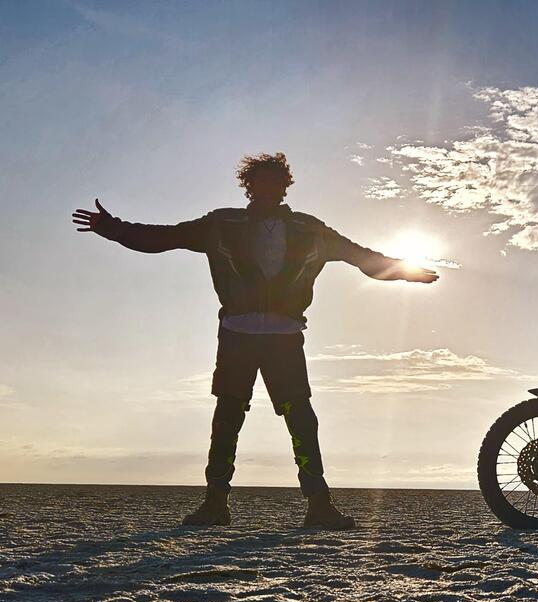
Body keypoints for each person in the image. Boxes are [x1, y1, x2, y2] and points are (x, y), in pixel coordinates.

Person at [71, 152, 438, 529]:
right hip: (237, 336)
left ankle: (319, 505)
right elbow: (163, 237)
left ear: (285, 185)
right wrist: (111, 228)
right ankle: (215, 503)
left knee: (301, 419)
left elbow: (360, 257)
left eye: (275, 181)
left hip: (285, 338)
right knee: (227, 418)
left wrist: (405, 271)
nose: (268, 187)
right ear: (249, 185)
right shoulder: (221, 224)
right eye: (260, 181)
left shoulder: (309, 228)